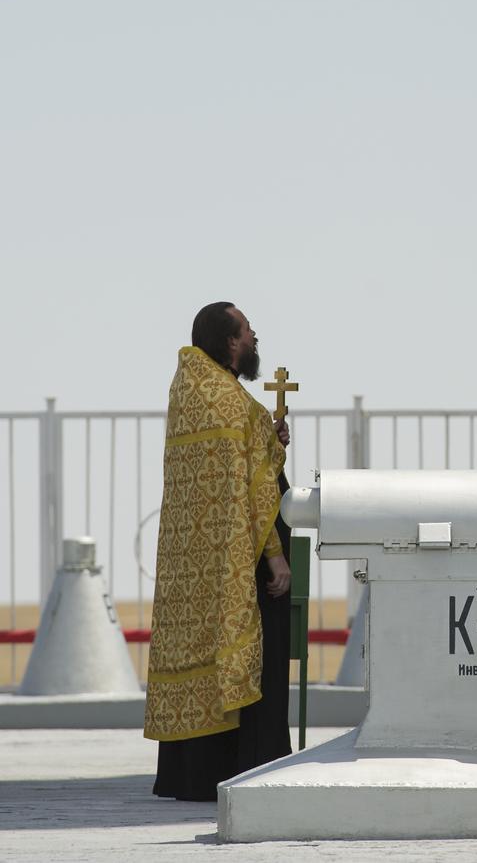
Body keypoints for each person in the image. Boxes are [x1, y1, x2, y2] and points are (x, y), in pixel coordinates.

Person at [145, 301, 294, 801]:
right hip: (238, 562)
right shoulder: (233, 404)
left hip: (191, 562)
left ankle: (190, 776)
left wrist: (267, 441)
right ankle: (251, 769)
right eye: (248, 332)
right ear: (231, 343)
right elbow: (253, 489)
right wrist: (275, 556)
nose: (254, 340)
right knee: (253, 657)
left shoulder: (190, 392)